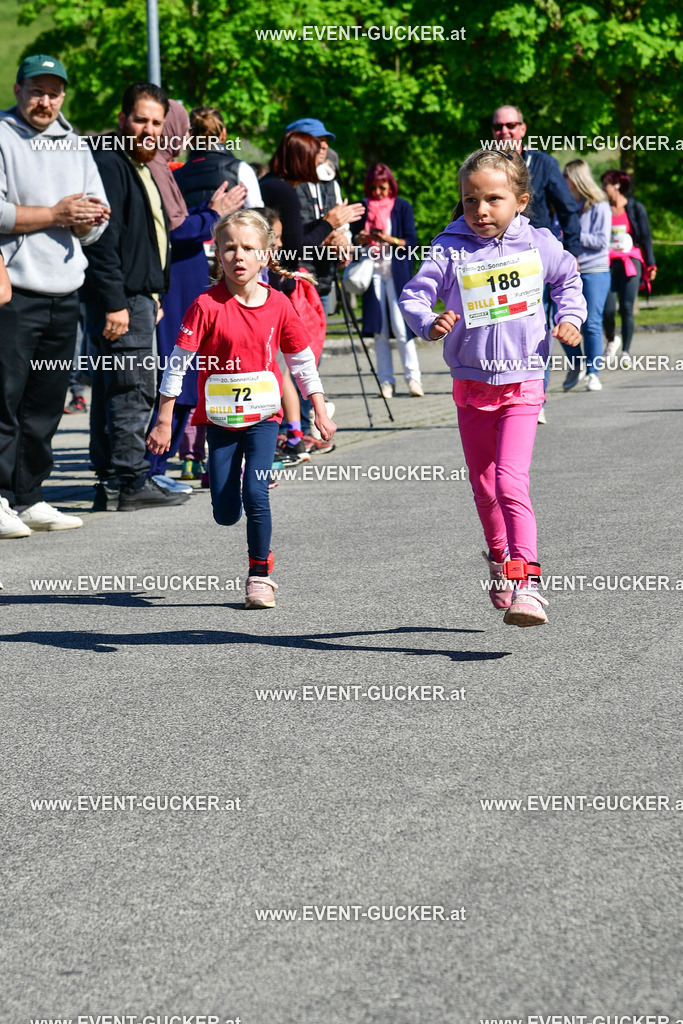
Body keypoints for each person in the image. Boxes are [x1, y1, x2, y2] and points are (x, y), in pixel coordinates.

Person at [400, 149, 586, 627]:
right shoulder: (449, 248)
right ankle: (501, 562)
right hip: (471, 381)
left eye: (493, 199)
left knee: (509, 479)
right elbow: (415, 295)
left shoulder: (539, 244)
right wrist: (428, 321)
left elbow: (568, 279)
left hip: (525, 378)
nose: (480, 210)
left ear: (521, 201)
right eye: (469, 200)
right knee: (482, 485)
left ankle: (528, 582)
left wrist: (569, 317)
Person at [146, 209, 336, 609]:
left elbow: (300, 360)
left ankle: (260, 575)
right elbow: (177, 363)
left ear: (265, 255)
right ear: (217, 253)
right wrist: (164, 419)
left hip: (265, 418)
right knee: (225, 512)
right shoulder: (205, 305)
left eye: (248, 248)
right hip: (220, 419)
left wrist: (318, 408)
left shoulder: (280, 305)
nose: (238, 256)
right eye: (229, 247)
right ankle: (238, 503)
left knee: (256, 493)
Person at [0, 54, 110, 538]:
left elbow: (88, 222)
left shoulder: (76, 144)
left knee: (45, 402)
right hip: (14, 288)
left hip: (65, 288)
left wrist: (86, 223)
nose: (46, 101)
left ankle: (30, 497)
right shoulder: (2, 135)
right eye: (37, 90)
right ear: (19, 88)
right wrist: (56, 213)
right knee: (4, 398)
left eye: (54, 92)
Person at [83, 81, 189, 512]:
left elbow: (149, 237)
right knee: (132, 389)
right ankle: (129, 481)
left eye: (156, 122)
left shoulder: (140, 164)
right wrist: (116, 302)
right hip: (121, 298)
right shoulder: (110, 162)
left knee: (114, 388)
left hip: (139, 295)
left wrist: (155, 291)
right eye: (140, 119)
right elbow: (102, 240)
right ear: (122, 118)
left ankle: (111, 482)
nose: (148, 129)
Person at [144, 101, 247, 489]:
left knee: (186, 381)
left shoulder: (168, 168)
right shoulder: (158, 168)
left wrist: (206, 211)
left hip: (186, 281)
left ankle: (156, 469)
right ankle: (149, 471)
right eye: (180, 128)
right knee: (177, 378)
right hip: (177, 285)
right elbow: (174, 231)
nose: (185, 136)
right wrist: (212, 213)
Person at [259, 131, 362, 459]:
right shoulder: (285, 191)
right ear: (299, 159)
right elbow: (295, 249)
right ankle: (290, 434)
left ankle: (291, 432)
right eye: (313, 156)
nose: (319, 164)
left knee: (281, 364)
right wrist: (328, 223)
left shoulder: (269, 184)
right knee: (293, 361)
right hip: (283, 286)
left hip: (270, 281)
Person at [492, 105, 581, 422]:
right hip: (494, 259)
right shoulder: (485, 164)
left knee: (534, 325)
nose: (505, 132)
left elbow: (568, 210)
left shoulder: (542, 163)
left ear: (522, 129)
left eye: (511, 125)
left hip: (534, 257)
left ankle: (535, 397)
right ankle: (503, 391)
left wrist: (570, 252)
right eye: (499, 127)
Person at [354, 163, 423, 398]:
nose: (378, 193)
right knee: (379, 330)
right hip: (371, 272)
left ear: (390, 185)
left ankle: (413, 379)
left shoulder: (402, 206)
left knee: (402, 326)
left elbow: (412, 243)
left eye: (382, 188)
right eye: (373, 188)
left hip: (397, 274)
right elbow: (352, 241)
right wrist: (362, 238)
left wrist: (389, 239)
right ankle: (386, 382)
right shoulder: (362, 207)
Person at [560, 160, 611, 392]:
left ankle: (593, 373)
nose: (562, 181)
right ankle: (577, 363)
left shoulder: (600, 205)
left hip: (595, 270)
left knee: (591, 323)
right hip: (569, 271)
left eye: (566, 176)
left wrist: (573, 235)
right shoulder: (565, 205)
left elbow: (602, 241)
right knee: (560, 322)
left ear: (577, 178)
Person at [601, 169, 656, 368]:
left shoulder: (634, 207)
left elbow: (646, 238)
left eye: (605, 184)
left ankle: (625, 351)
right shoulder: (602, 208)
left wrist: (651, 264)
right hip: (607, 263)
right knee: (607, 309)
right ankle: (611, 338)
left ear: (616, 185)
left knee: (626, 307)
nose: (603, 189)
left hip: (630, 262)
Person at [173, 105, 263, 210]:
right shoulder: (240, 169)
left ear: (190, 137)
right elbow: (258, 214)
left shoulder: (176, 176)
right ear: (223, 133)